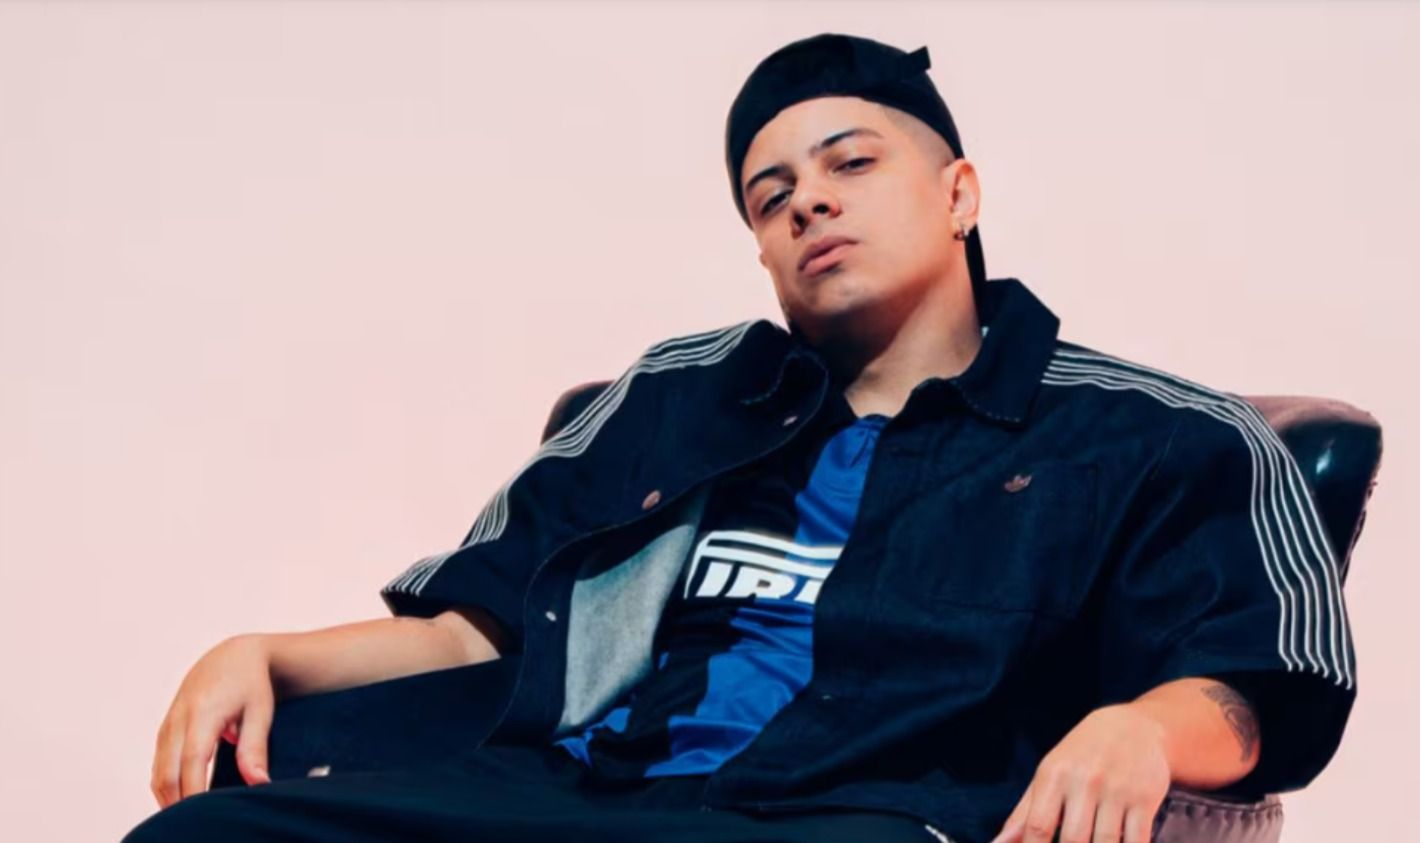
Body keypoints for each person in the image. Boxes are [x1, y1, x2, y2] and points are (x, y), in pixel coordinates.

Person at [124, 33, 1356, 843]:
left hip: (860, 814)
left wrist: (1144, 726)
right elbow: (483, 628)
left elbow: (1269, 686)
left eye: (851, 163)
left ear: (959, 195)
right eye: (772, 197)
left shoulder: (1149, 434)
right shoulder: (675, 398)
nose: (809, 199)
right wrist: (266, 654)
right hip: (582, 796)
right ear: (763, 249)